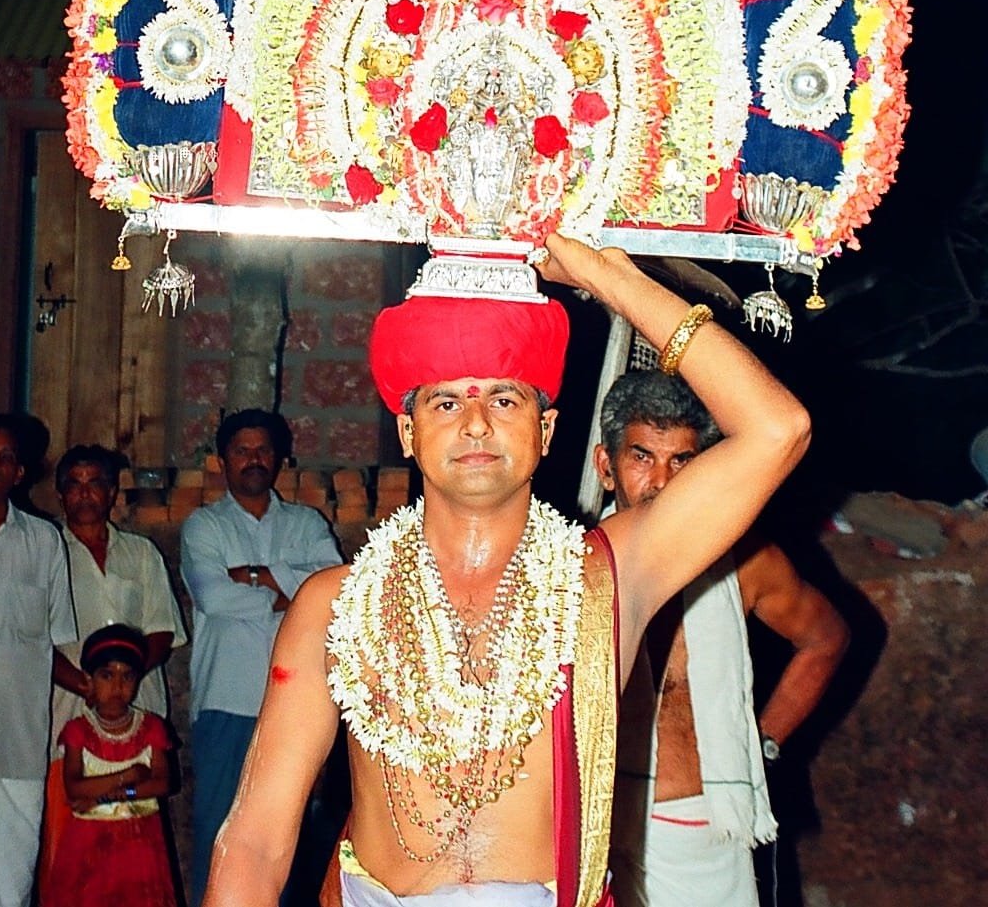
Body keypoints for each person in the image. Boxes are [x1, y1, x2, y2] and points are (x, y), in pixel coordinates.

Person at [200, 235, 813, 907]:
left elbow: (777, 428)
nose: (475, 423)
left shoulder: (603, 579)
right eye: (445, 402)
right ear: (408, 434)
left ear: (546, 431)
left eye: (504, 400)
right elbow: (254, 839)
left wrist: (605, 276)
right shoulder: (336, 604)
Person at [594, 370, 850, 907]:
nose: (661, 482)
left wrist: (763, 741)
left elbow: (825, 638)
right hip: (601, 830)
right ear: (606, 466)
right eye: (642, 457)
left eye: (682, 461)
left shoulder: (747, 563)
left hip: (713, 831)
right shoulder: (574, 566)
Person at [181, 406, 343, 905]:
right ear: (222, 461)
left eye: (263, 450)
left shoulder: (305, 522)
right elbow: (214, 598)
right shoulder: (202, 527)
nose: (253, 459)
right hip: (225, 704)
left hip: (296, 710)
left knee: (291, 848)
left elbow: (335, 591)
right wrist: (292, 586)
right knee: (217, 840)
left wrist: (253, 574)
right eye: (242, 450)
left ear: (279, 460)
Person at [41, 443, 187, 888]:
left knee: (134, 847)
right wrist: (88, 686)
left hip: (137, 714)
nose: (86, 494)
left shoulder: (140, 554)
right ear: (61, 494)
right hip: (69, 714)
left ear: (111, 492)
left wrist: (123, 678)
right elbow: (35, 638)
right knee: (70, 846)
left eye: (96, 483)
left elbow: (162, 628)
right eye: (75, 485)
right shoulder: (48, 552)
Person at [0, 414, 77, 907]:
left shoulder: (44, 542)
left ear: (20, 473)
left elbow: (53, 643)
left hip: (12, 746)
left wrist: (94, 690)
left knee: (8, 890)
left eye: (5, 456)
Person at [41, 623, 178, 907]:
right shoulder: (78, 731)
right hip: (89, 844)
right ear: (89, 679)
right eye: (107, 676)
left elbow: (163, 782)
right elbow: (75, 788)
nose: (117, 687)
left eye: (127, 677)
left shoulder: (150, 727)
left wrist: (114, 795)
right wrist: (129, 776)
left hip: (140, 844)